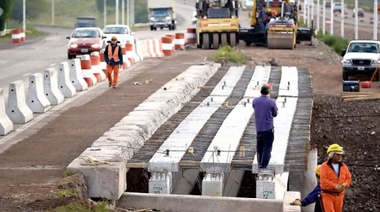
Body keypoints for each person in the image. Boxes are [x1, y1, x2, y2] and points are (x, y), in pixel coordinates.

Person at [320, 143, 352, 212]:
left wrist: (344, 184)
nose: (340, 156)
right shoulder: (324, 166)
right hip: (327, 195)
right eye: (337, 154)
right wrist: (335, 186)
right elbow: (324, 181)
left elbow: (348, 178)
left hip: (340, 195)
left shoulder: (344, 166)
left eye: (340, 154)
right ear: (332, 155)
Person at [252, 85, 278, 169]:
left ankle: (259, 162)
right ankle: (264, 165)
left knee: (259, 146)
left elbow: (254, 107)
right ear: (268, 92)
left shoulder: (255, 101)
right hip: (268, 128)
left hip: (258, 128)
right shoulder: (271, 102)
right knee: (267, 147)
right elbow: (275, 114)